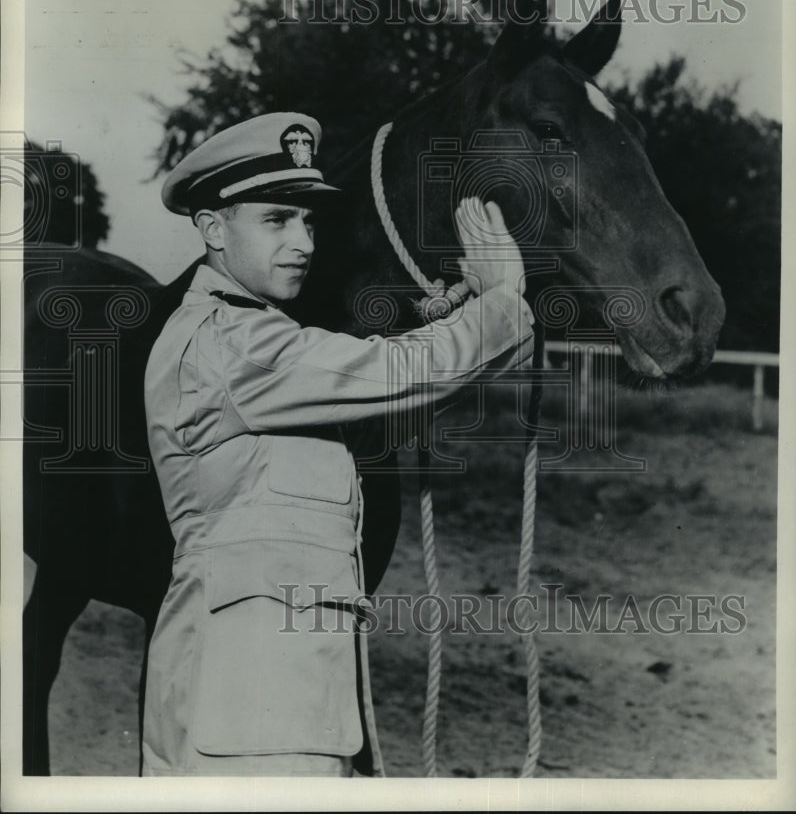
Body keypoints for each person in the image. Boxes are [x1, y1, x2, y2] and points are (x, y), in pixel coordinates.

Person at [142, 111, 534, 777]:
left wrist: (459, 313)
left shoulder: (258, 340)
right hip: (248, 716)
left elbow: (384, 387)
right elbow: (387, 374)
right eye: (275, 219)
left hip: (272, 703)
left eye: (308, 221)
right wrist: (500, 300)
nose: (301, 242)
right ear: (211, 228)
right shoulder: (229, 340)